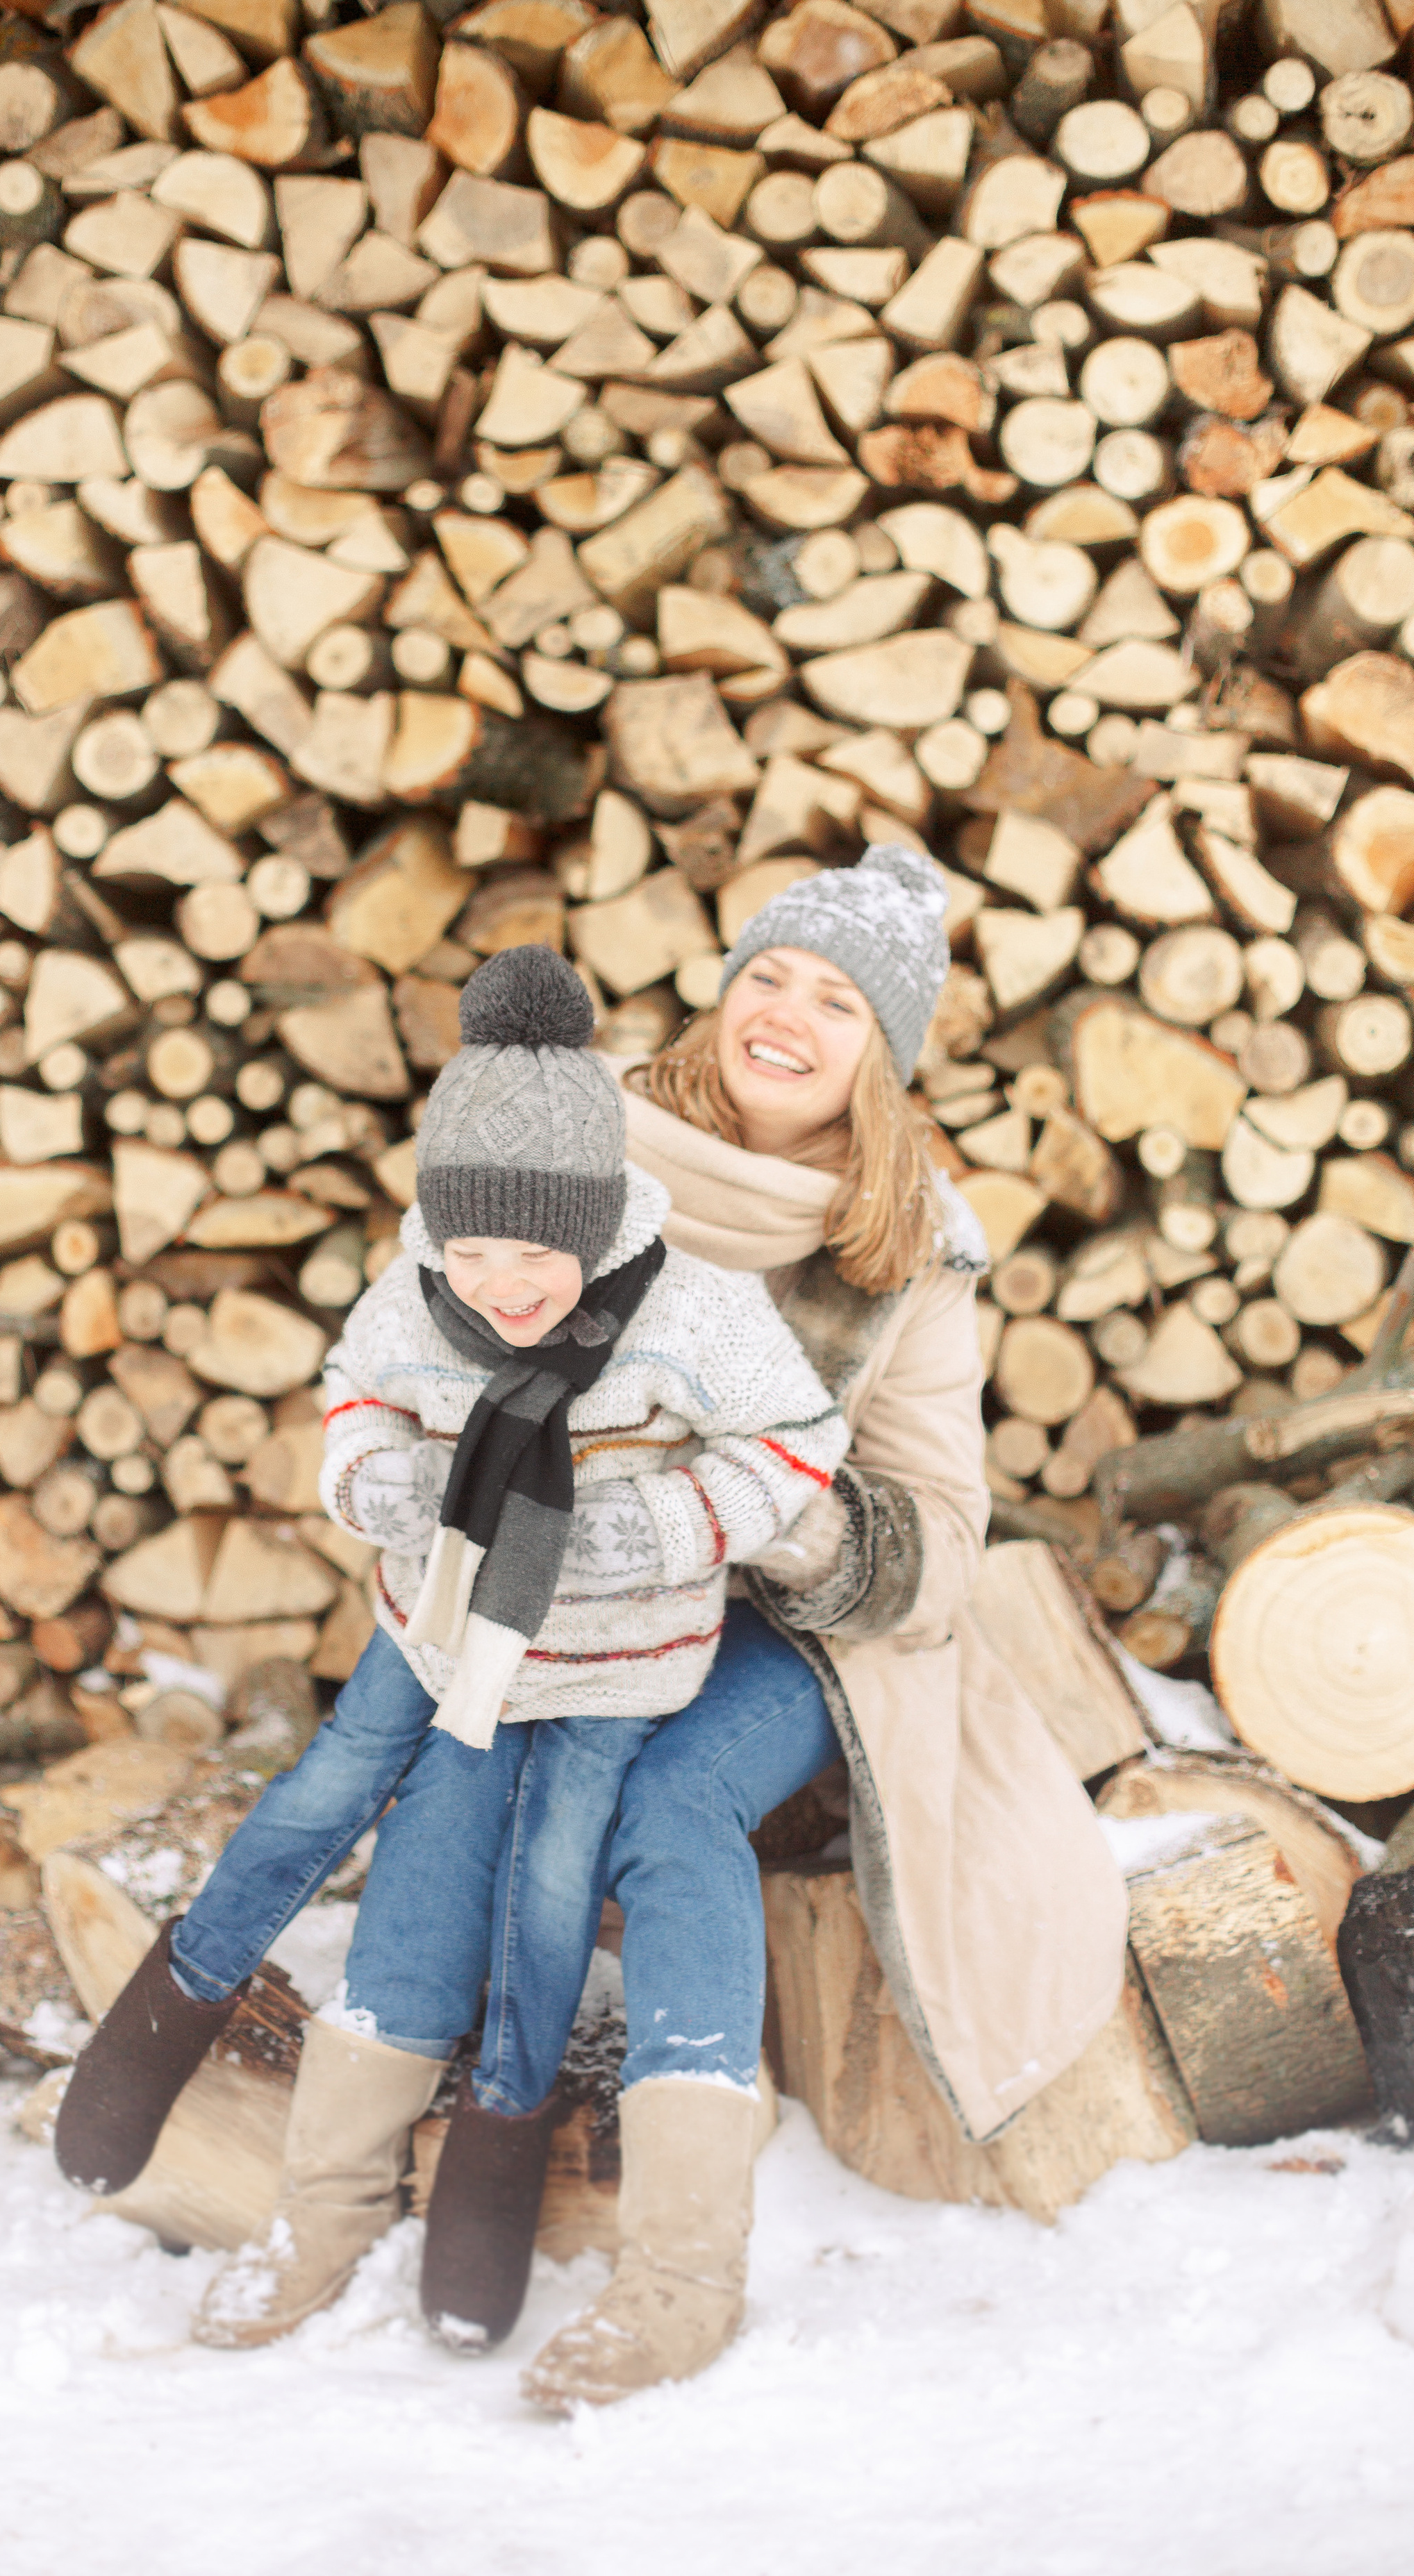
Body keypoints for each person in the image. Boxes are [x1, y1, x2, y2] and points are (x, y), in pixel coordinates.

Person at [359, 847, 1129, 2409]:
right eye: (767, 975)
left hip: (781, 1626)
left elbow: (938, 1541)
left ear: (884, 1057)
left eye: (837, 1002)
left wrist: (780, 1510)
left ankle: (681, 2277)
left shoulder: (908, 1250)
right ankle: (389, 2161)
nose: (785, 1015)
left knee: (667, 1797)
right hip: (551, 1587)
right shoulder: (574, 1143)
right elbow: (415, 1346)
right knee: (458, 1770)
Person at [52, 943, 851, 2350]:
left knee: (551, 1890)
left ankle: (523, 2197)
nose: (496, 1288)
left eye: (531, 1255)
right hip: (446, 1649)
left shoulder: (694, 1312)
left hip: (611, 1671)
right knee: (415, 1879)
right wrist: (378, 1488)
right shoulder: (423, 1286)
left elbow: (802, 1441)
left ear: (599, 1228)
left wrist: (670, 1524)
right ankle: (328, 2205)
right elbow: (354, 1396)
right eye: (466, 1252)